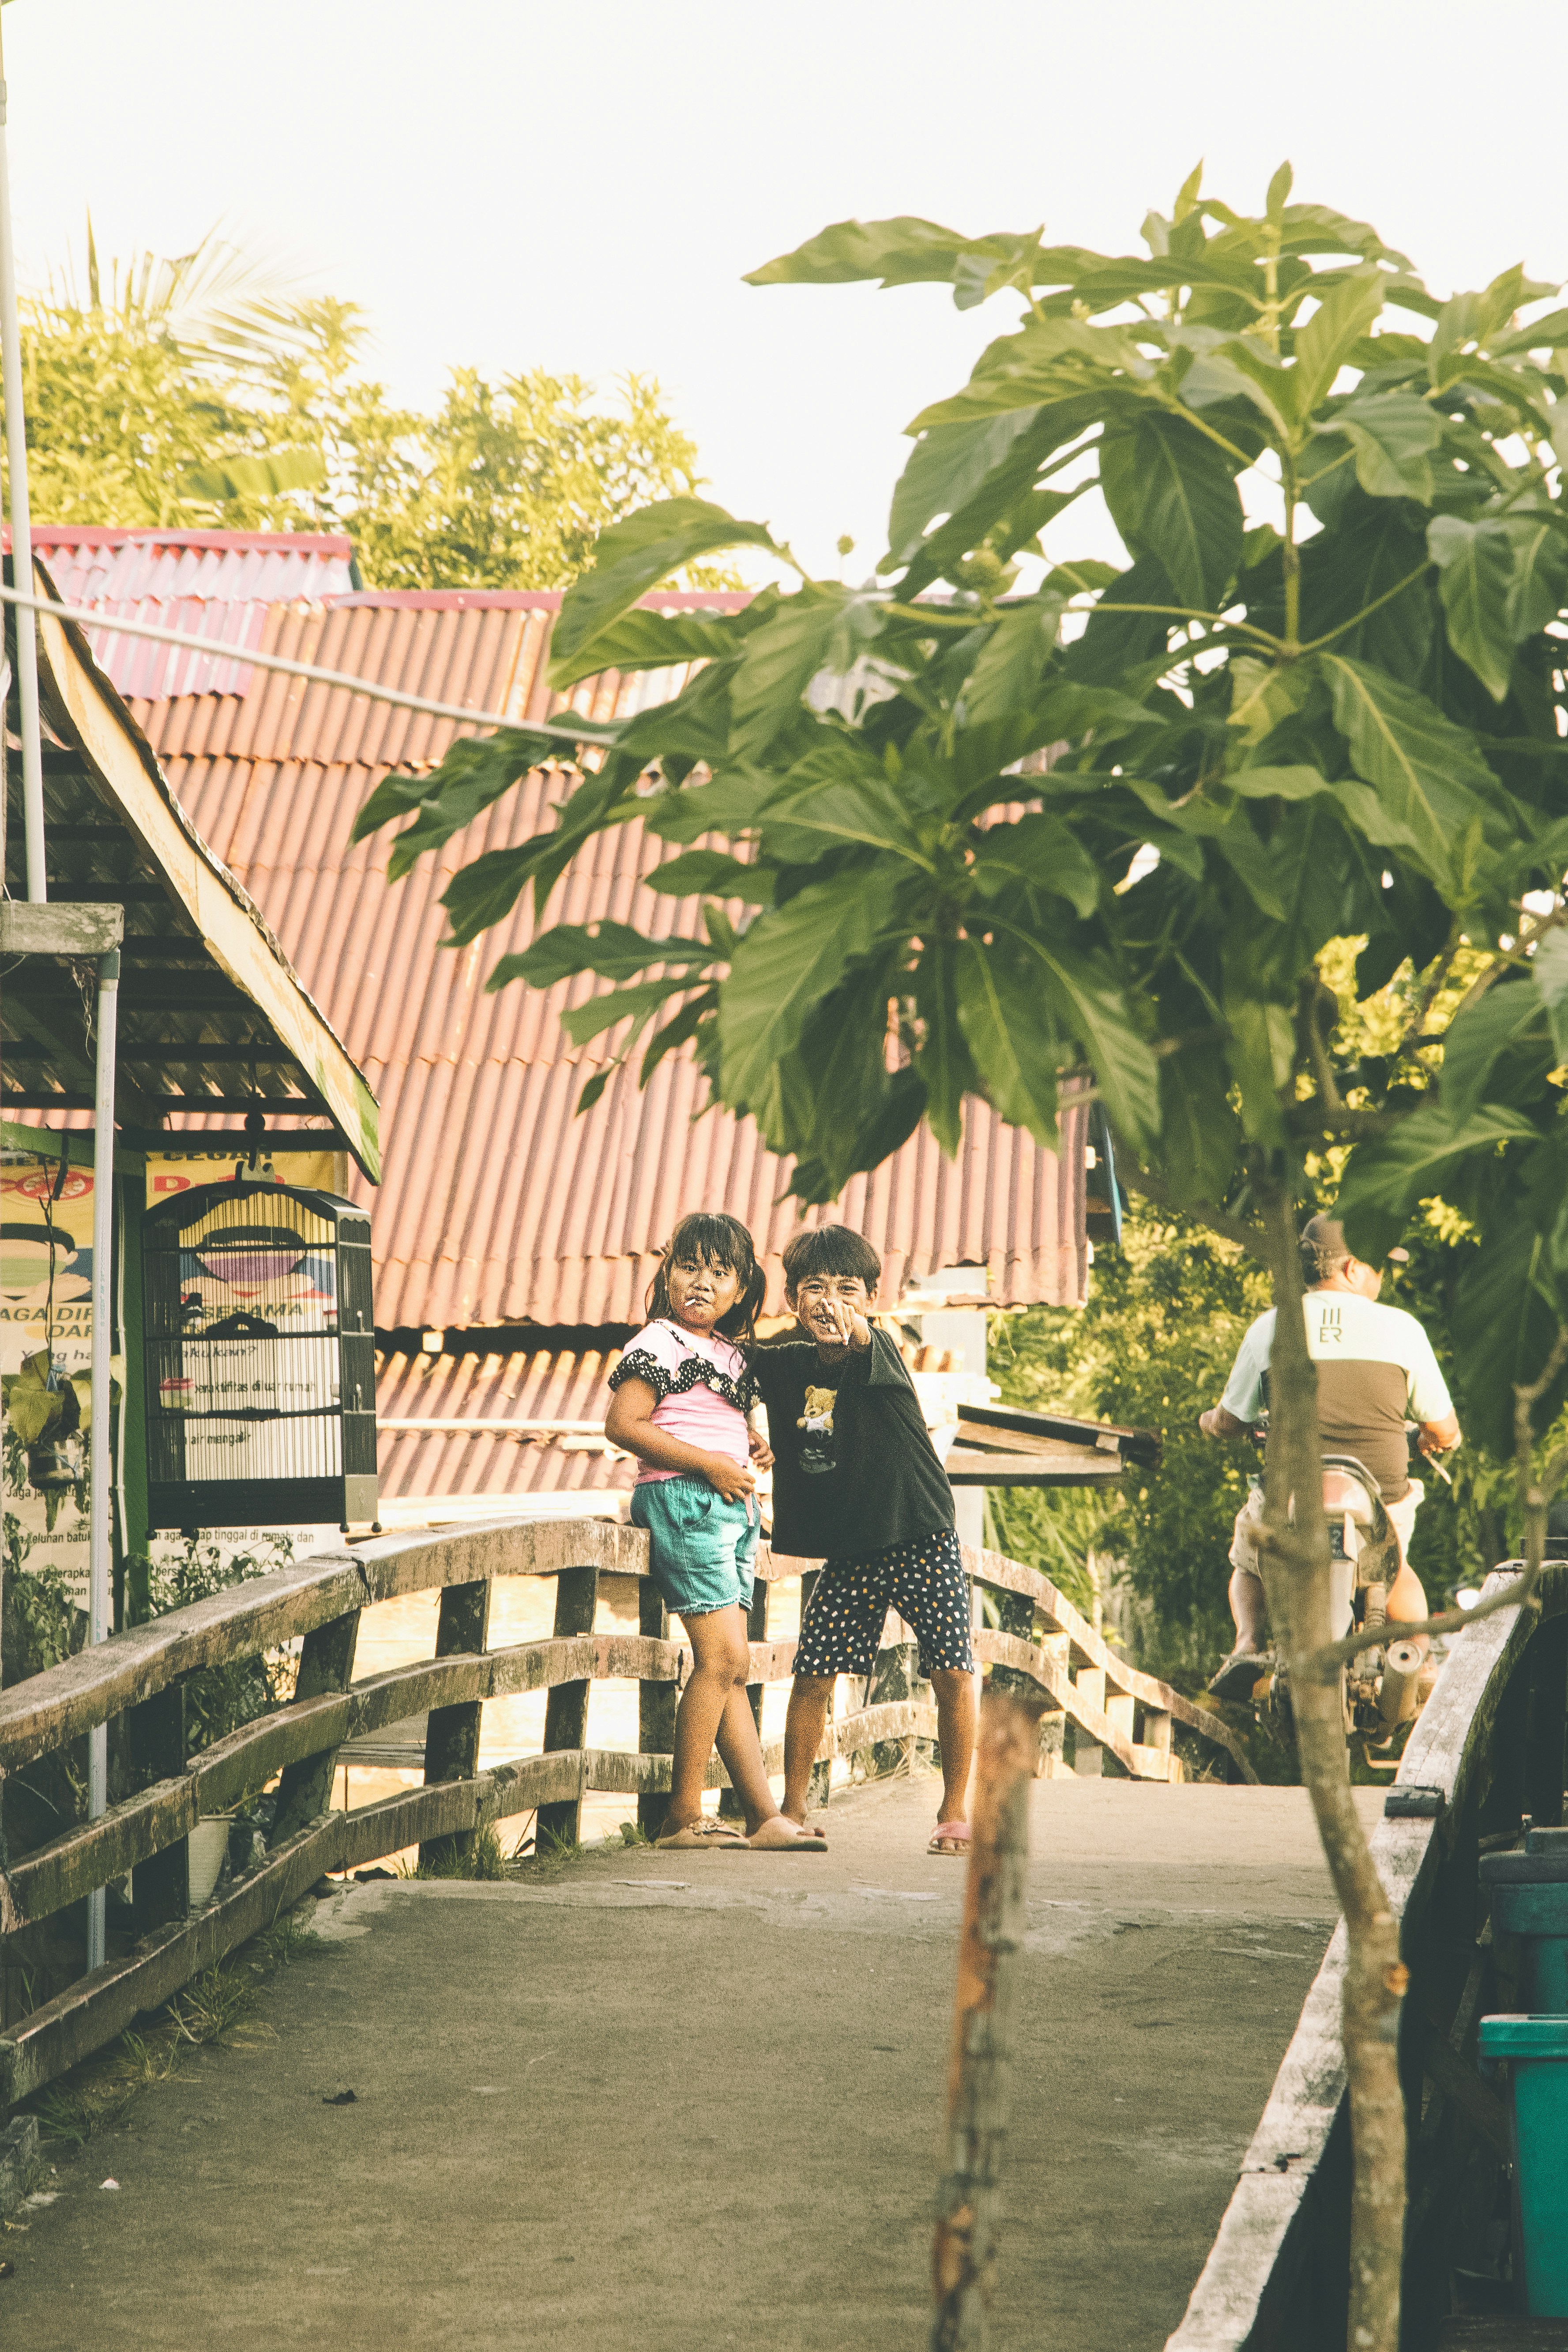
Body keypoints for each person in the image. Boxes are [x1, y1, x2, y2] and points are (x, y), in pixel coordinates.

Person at [750, 1227, 977, 1857]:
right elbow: (724, 1376)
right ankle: (793, 1808)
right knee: (813, 1673)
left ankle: (954, 1809)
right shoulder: (783, 1361)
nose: (829, 1302)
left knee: (952, 1668)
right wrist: (743, 1434)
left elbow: (859, 1336)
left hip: (918, 1531)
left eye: (847, 1290)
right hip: (851, 1546)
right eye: (814, 1289)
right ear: (792, 1298)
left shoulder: (883, 1349)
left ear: (872, 1299)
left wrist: (852, 1324)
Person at [605, 1211, 825, 1852]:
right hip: (682, 1499)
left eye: (719, 1273)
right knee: (723, 1659)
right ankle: (681, 1815)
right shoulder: (659, 1342)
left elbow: (701, 1414)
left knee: (731, 1664)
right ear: (668, 1273)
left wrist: (750, 1442)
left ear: (741, 1288)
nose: (701, 1283)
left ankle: (762, 1817)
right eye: (688, 1267)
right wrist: (709, 1463)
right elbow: (624, 1425)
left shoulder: (729, 1354)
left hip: (729, 1507)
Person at [1200, 1214, 1461, 1700]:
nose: (1381, 1277)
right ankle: (1416, 1663)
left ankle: (1247, 1644)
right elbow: (1445, 1428)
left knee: (1248, 1562)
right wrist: (1433, 1439)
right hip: (1378, 1494)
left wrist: (1208, 1422)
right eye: (1378, 1265)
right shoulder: (1402, 1329)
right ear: (1353, 1268)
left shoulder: (1273, 1326)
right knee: (1396, 1567)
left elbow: (1231, 1420)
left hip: (1293, 1493)